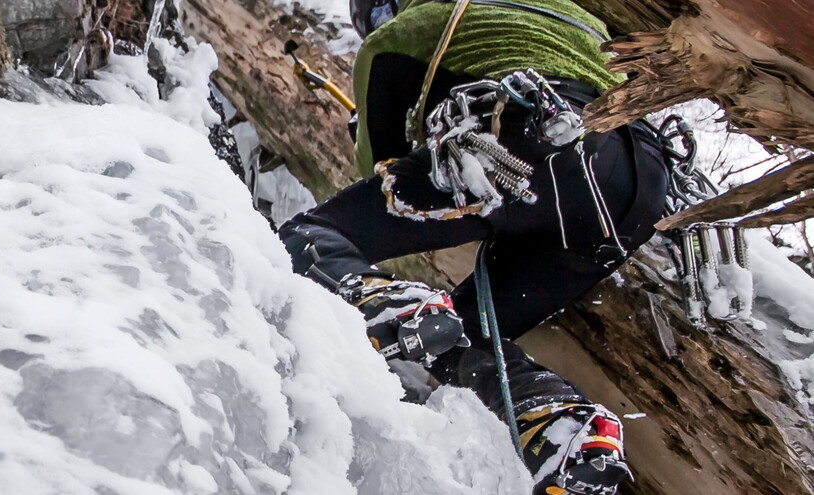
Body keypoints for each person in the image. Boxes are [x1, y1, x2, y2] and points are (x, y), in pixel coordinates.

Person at [279, 0, 669, 493]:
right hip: (639, 188)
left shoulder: (412, 30)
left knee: (309, 237)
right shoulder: (568, 16)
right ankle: (556, 425)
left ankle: (400, 308)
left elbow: (377, 174)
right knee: (462, 334)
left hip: (534, 137)